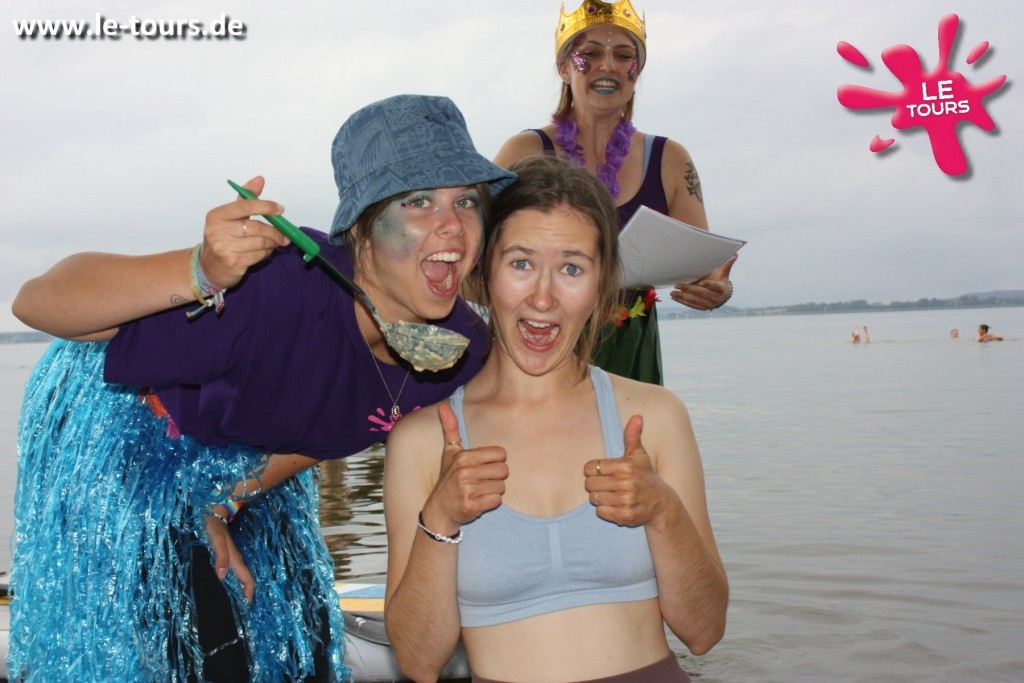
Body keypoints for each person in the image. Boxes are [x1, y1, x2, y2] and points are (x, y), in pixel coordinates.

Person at [8, 94, 515, 682]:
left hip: (243, 457)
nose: (452, 225)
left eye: (466, 201)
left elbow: (329, 431)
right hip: (127, 436)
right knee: (190, 643)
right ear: (360, 226)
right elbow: (36, 301)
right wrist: (200, 270)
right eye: (419, 200)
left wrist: (223, 500)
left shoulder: (461, 349)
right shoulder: (273, 287)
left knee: (302, 646)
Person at [383, 156, 728, 683]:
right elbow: (418, 661)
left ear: (601, 282)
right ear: (484, 270)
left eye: (572, 268)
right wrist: (441, 519)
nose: (542, 297)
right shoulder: (422, 441)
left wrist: (665, 512)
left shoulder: (654, 416)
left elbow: (704, 631)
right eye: (520, 263)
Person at [493, 0, 735, 385]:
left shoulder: (671, 160)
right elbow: (477, 256)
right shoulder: (524, 152)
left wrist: (718, 290)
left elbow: (702, 270)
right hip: (537, 339)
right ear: (564, 68)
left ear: (636, 71)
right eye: (590, 54)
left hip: (631, 352)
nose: (608, 66)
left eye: (623, 56)